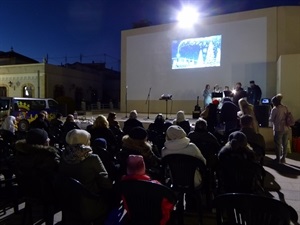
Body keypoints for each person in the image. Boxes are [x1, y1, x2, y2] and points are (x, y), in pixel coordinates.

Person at [121, 155, 174, 225]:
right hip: (158, 222)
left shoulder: (123, 186)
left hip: (135, 220)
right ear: (144, 167)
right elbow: (169, 206)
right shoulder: (157, 187)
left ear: (127, 168)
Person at [14, 128, 60, 200]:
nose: (49, 139)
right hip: (46, 194)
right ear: (44, 142)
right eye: (47, 138)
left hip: (26, 190)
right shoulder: (48, 157)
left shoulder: (21, 153)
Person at [269, 94, 290, 163]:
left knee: (278, 144)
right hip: (286, 128)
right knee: (285, 144)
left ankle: (278, 159)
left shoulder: (274, 109)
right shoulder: (285, 107)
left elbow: (271, 119)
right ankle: (283, 158)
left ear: (274, 102)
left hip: (278, 128)